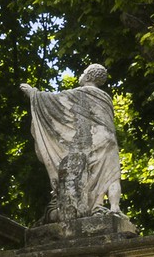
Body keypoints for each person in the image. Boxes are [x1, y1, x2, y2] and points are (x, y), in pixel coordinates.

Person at [22, 64, 123, 218]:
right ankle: (113, 207)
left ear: (88, 76)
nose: (81, 75)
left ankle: (90, 206)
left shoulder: (81, 93)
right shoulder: (106, 97)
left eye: (83, 73)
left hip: (93, 138)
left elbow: (55, 102)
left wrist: (33, 94)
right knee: (110, 175)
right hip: (109, 138)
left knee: (87, 171)